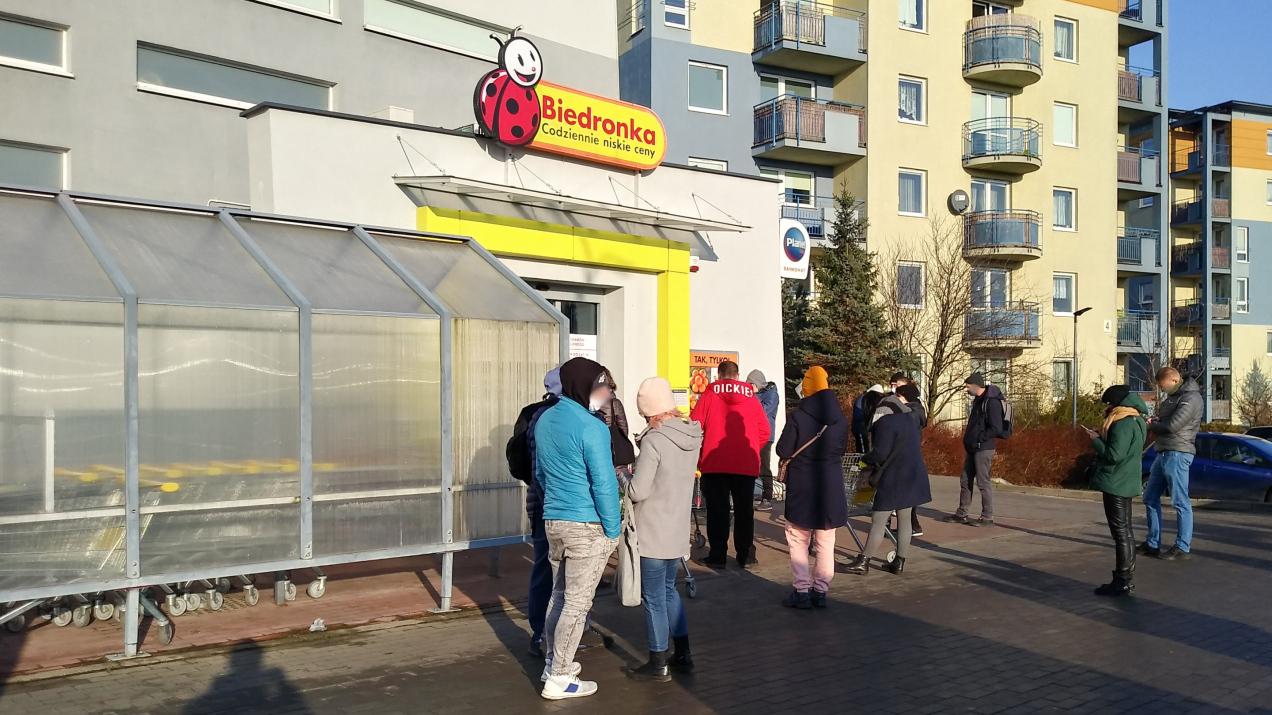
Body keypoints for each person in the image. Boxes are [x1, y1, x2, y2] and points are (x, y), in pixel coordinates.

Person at [534, 357, 621, 700]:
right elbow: (604, 484)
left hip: (554, 520)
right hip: (586, 525)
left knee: (558, 597)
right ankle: (559, 677)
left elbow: (540, 474)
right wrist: (612, 530)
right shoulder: (592, 427)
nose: (607, 393)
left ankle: (553, 664)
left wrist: (556, 505)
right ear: (586, 385)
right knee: (577, 604)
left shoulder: (545, 420)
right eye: (603, 386)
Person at [619, 377, 703, 681]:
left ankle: (658, 662)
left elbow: (638, 490)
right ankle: (683, 653)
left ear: (650, 411)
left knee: (654, 598)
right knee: (669, 591)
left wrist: (621, 476)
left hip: (653, 531)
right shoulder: (692, 435)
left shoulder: (654, 440)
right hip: (677, 530)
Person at [775, 366, 848, 609]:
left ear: (806, 386)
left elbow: (784, 450)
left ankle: (802, 591)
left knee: (798, 538)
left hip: (803, 485)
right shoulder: (839, 417)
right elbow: (841, 449)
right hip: (831, 485)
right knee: (826, 540)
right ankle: (821, 591)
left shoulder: (798, 416)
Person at [690, 360, 771, 569]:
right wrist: (751, 448)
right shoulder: (751, 397)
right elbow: (765, 431)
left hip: (714, 462)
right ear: (737, 376)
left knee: (717, 511)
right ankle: (746, 556)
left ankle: (718, 556)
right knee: (744, 511)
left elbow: (693, 426)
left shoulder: (709, 394)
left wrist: (700, 452)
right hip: (745, 464)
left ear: (719, 375)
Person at [506, 368, 562, 658]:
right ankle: (546, 631)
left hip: (539, 503)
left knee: (543, 566)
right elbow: (541, 468)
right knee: (554, 569)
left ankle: (541, 630)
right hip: (550, 505)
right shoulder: (550, 417)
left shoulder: (533, 413)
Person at [847, 389, 931, 575]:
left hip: (894, 476)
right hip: (913, 473)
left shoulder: (884, 422)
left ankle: (863, 561)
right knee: (905, 519)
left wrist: (864, 460)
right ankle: (899, 562)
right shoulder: (907, 416)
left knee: (878, 519)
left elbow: (880, 453)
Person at [1082, 385, 1148, 596]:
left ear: (1116, 403)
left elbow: (1114, 455)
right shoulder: (1136, 419)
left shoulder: (1122, 422)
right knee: (1125, 530)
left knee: (1120, 532)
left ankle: (1122, 580)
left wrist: (1096, 441)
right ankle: (1125, 577)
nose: (1106, 408)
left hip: (1116, 481)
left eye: (1108, 404)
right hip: (1127, 480)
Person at [1140, 366, 1203, 560]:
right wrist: (1157, 420)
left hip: (1178, 453)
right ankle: (1153, 543)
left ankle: (1182, 546)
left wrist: (1153, 424)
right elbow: (1167, 421)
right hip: (1164, 452)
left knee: (1180, 501)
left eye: (1163, 385)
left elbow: (1173, 426)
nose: (1162, 389)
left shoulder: (1191, 398)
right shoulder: (1174, 398)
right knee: (1150, 497)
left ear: (1175, 381)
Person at [945, 372, 1005, 527]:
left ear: (976, 385)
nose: (966, 389)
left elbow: (996, 428)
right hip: (972, 447)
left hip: (983, 448)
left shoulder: (991, 402)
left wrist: (979, 438)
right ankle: (961, 513)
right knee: (965, 479)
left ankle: (987, 517)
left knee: (983, 482)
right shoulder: (978, 401)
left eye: (968, 386)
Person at [896, 383, 927, 538]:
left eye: (898, 396)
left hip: (907, 455)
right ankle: (910, 525)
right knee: (906, 491)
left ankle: (912, 525)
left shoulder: (910, 412)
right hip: (909, 454)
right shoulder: (915, 410)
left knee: (905, 491)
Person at [747, 369, 781, 512]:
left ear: (756, 384)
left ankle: (767, 498)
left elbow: (761, 410)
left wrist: (753, 397)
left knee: (764, 467)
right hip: (753, 434)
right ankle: (754, 495)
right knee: (751, 466)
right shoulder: (758, 395)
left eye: (750, 384)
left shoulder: (772, 395)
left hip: (766, 436)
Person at [851, 385, 886, 453]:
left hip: (864, 428)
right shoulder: (862, 400)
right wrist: (870, 416)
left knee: (865, 448)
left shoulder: (866, 399)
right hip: (860, 428)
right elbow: (858, 415)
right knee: (863, 450)